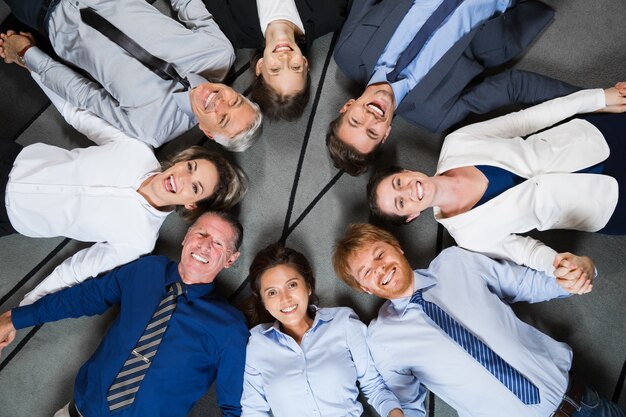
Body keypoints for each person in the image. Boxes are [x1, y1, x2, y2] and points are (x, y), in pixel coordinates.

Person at [332, 223, 626, 417]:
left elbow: (528, 284)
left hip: (584, 403)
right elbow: (407, 404)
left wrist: (580, 271)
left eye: (380, 255)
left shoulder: (455, 262)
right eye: (367, 272)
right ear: (365, 288)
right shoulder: (382, 338)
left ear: (397, 247)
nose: (380, 269)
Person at [0, 77, 247, 306]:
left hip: (9, 215)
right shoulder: (137, 150)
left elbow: (74, 271)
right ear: (184, 160)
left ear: (192, 204)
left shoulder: (139, 240)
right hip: (12, 159)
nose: (181, 177)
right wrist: (31, 64)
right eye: (190, 167)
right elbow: (77, 114)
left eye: (194, 187)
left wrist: (22, 310)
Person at [0, 211, 249, 417]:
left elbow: (232, 407)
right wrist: (14, 319)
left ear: (230, 259)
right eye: (201, 233)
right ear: (186, 237)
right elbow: (83, 298)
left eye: (218, 243)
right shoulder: (147, 270)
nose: (204, 245)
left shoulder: (230, 327)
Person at [367, 83, 626, 279]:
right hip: (603, 207)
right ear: (411, 216)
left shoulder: (457, 143)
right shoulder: (468, 237)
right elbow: (526, 252)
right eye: (401, 203)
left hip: (593, 139)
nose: (409, 191)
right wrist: (558, 265)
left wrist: (598, 98)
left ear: (407, 171)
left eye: (398, 183)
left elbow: (528, 119)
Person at [326, 0, 580, 175]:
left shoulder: (349, 53)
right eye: (372, 133)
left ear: (347, 107)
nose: (370, 118)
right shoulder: (435, 114)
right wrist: (589, 99)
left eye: (356, 121)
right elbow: (512, 87)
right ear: (386, 134)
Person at [0, 0, 263, 151]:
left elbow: (84, 95)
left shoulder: (150, 129)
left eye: (223, 118)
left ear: (207, 130)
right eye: (235, 101)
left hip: (45, 13)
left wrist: (27, 53)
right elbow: (187, 2)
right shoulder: (220, 53)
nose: (221, 103)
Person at [240, 243, 404, 417]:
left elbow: (374, 387)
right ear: (264, 302)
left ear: (308, 286)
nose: (285, 299)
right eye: (272, 292)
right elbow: (253, 410)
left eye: (292, 285)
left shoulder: (343, 323)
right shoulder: (257, 344)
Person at [202, 0, 349, 120]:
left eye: (275, 69)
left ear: (260, 66)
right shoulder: (330, 12)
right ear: (305, 63)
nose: (285, 58)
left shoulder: (234, 30)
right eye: (295, 67)